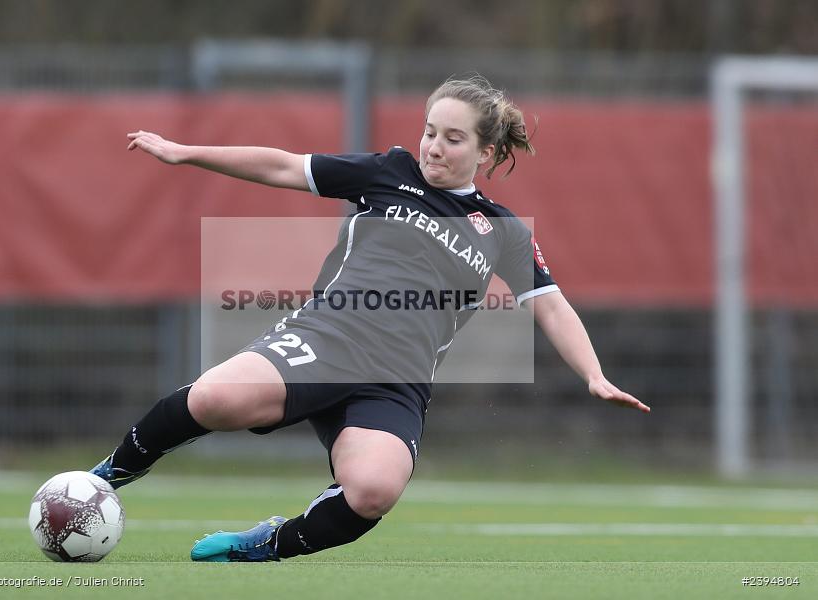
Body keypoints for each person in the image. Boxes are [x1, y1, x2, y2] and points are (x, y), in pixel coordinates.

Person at [91, 75, 649, 563]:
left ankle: (268, 544)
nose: (434, 146)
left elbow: (550, 303)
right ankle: (107, 476)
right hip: (324, 341)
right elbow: (284, 165)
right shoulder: (389, 171)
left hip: (395, 382)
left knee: (374, 492)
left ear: (485, 152)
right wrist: (185, 152)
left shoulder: (502, 230)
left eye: (453, 138)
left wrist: (593, 375)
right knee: (215, 399)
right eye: (430, 131)